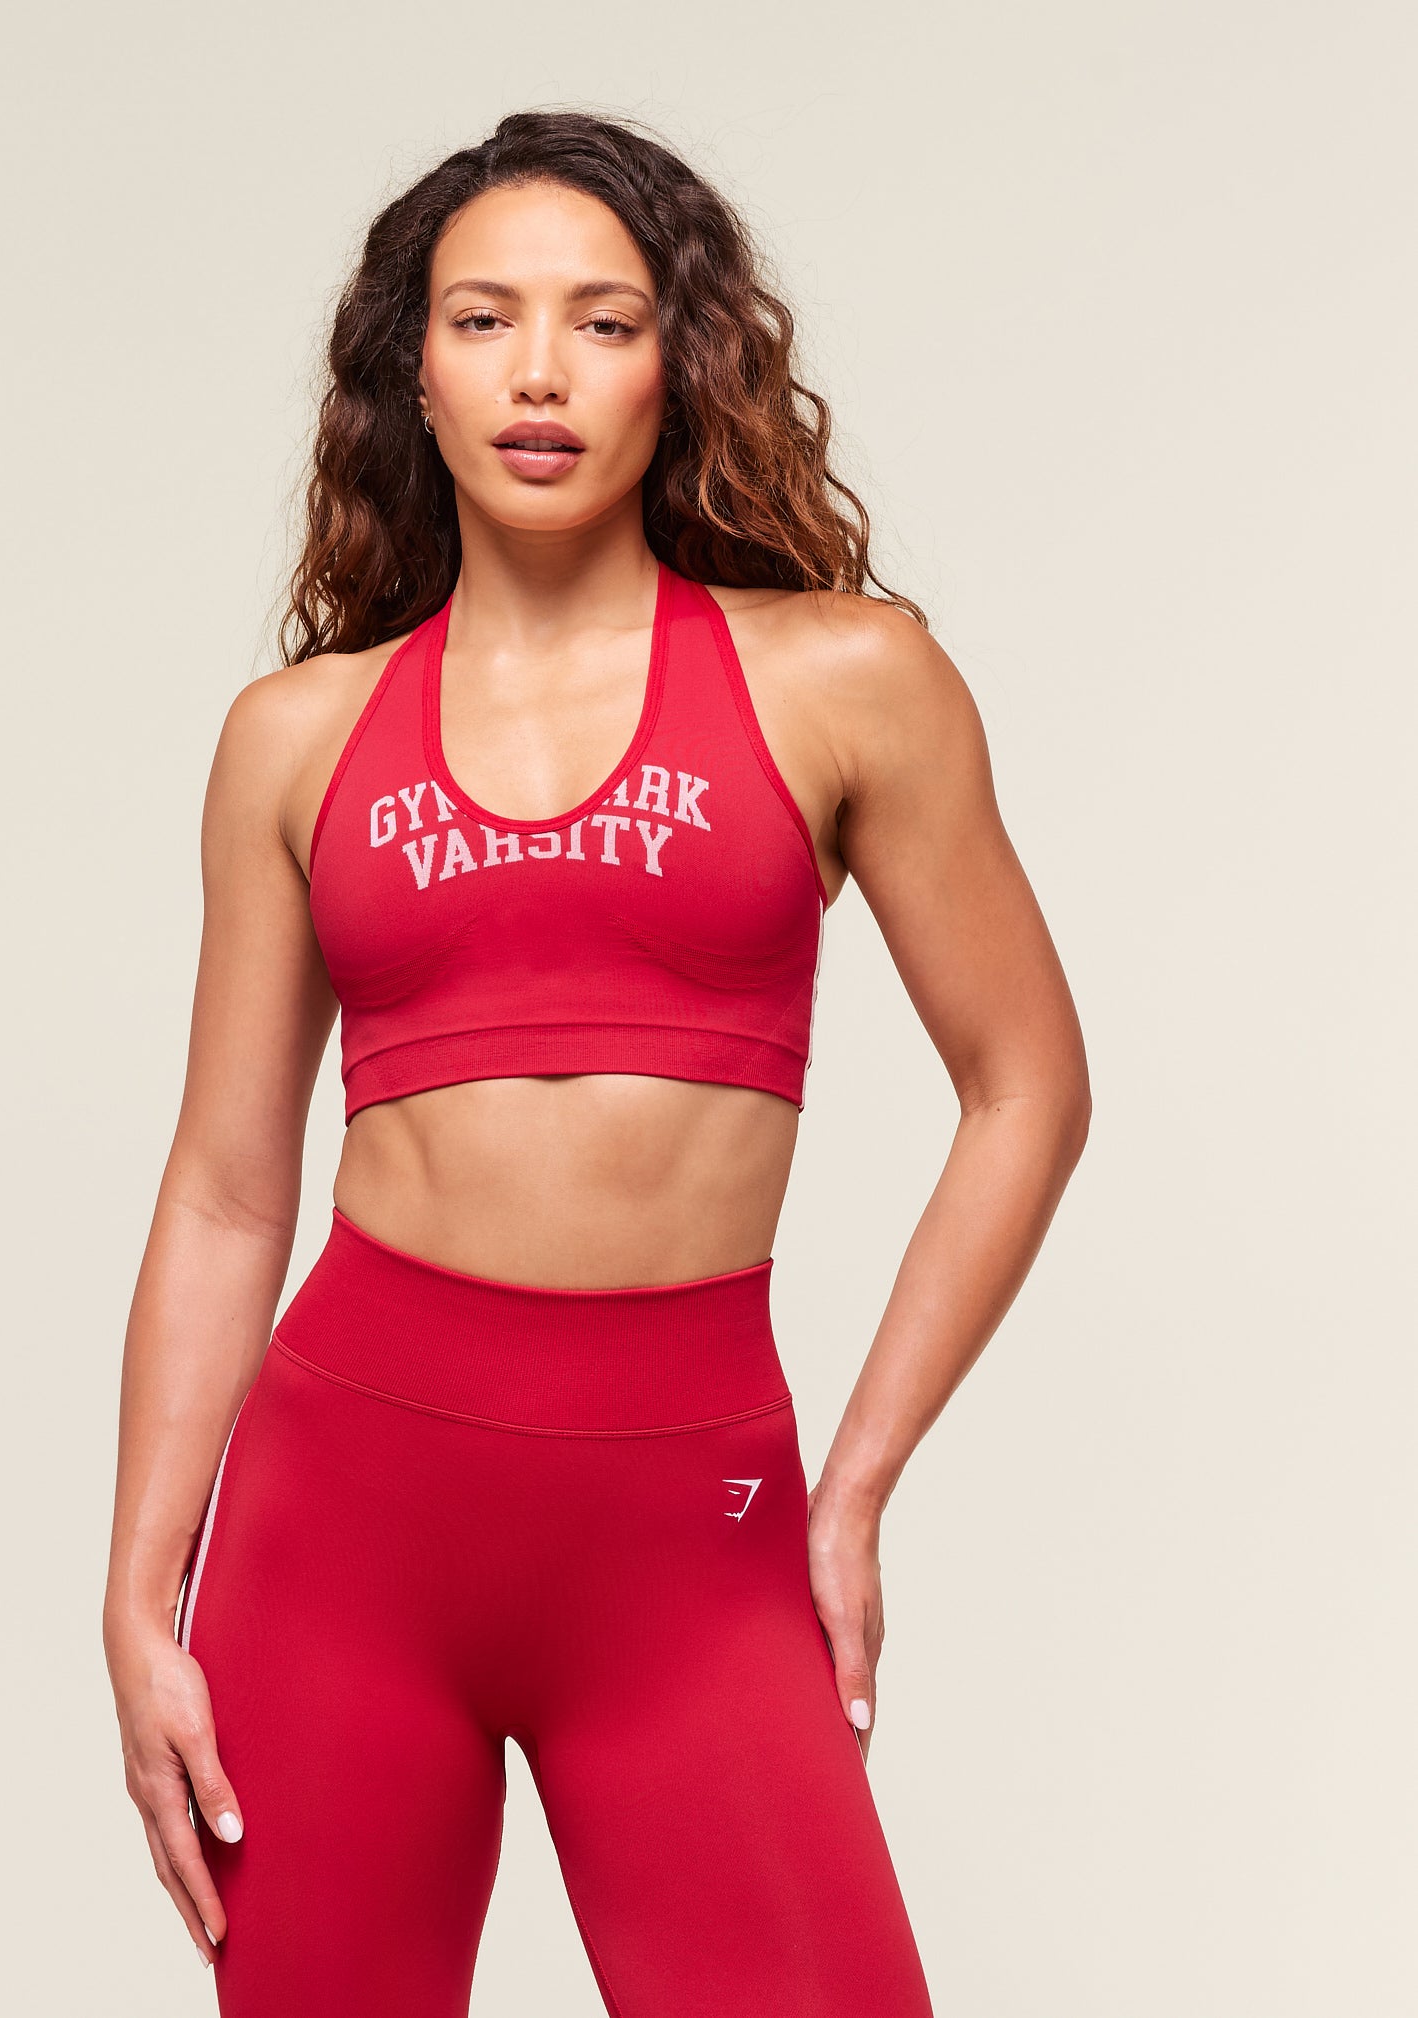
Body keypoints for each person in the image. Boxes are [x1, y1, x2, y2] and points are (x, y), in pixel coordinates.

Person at [103, 109, 1091, 2017]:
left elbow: (1028, 1083)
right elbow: (226, 1189)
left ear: (681, 360)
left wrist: (856, 1482)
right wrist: (140, 1596)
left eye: (604, 321)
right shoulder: (296, 735)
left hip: (693, 1533)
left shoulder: (846, 679)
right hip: (339, 1528)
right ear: (415, 369)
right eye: (484, 319)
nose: (540, 371)